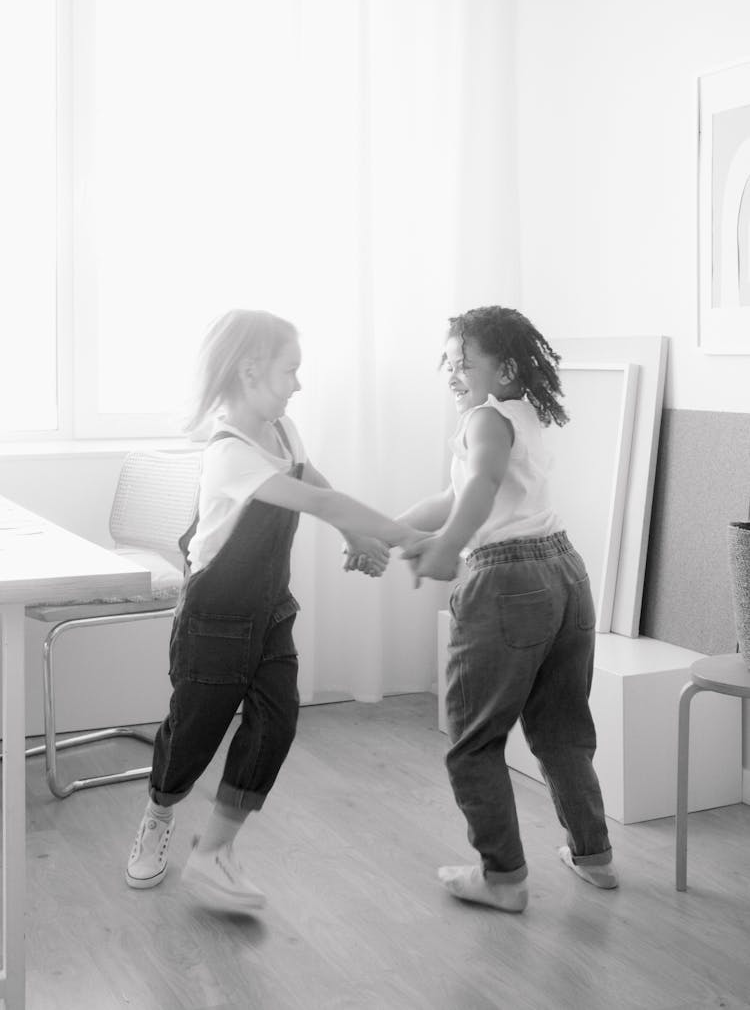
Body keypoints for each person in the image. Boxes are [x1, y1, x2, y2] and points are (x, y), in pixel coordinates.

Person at [125, 308, 422, 913]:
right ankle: (158, 815)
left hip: (270, 610)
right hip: (215, 619)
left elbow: (314, 478)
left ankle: (212, 852)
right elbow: (319, 499)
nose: (298, 383)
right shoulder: (229, 453)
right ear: (250, 370)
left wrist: (355, 536)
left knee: (277, 724)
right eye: (291, 370)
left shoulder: (283, 430)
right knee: (194, 735)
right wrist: (407, 536)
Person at [397, 305, 618, 912]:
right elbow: (456, 494)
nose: (451, 373)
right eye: (447, 362)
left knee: (473, 740)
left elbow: (479, 489)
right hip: (564, 572)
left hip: (507, 584)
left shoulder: (484, 421)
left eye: (463, 362)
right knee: (563, 731)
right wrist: (393, 529)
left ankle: (504, 878)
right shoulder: (524, 415)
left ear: (507, 369)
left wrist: (445, 548)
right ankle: (594, 855)